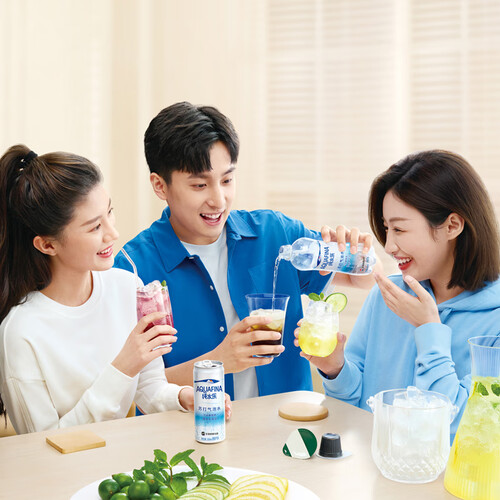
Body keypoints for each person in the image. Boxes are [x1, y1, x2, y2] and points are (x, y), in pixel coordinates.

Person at [114, 101, 381, 401]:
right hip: (194, 430)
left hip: (287, 427)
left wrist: (358, 254)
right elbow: (129, 391)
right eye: (200, 185)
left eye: (227, 180)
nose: (219, 200)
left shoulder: (275, 234)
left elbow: (368, 278)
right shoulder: (133, 268)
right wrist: (218, 362)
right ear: (160, 186)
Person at [0, 145, 226, 434]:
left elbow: (149, 387)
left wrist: (182, 397)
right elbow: (43, 443)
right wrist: (123, 366)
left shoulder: (127, 287)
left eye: (110, 212)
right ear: (47, 244)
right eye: (94, 227)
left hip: (127, 459)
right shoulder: (21, 332)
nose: (113, 233)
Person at [296, 150, 500, 436]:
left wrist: (429, 329)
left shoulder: (494, 320)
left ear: (452, 226)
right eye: (386, 228)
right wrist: (336, 369)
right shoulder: (386, 297)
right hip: (371, 462)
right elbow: (354, 407)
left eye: (400, 230)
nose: (389, 246)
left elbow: (464, 429)